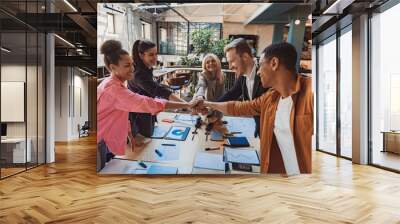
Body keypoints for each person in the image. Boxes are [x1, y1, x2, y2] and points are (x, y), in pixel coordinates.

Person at [203, 42, 313, 175]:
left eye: (261, 65)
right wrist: (207, 104)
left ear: (274, 63)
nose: (259, 71)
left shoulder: (311, 93)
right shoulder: (270, 98)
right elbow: (238, 107)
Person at [97, 40, 197, 165]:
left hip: (108, 137)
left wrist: (128, 132)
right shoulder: (113, 89)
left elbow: (118, 110)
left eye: (132, 64)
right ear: (113, 67)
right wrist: (187, 104)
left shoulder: (111, 83)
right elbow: (150, 103)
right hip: (100, 140)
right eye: (127, 66)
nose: (132, 69)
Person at [198, 38, 268, 137]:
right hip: (261, 127)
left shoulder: (265, 76)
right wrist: (209, 107)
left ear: (245, 56)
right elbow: (232, 94)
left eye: (232, 61)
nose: (230, 67)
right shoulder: (242, 76)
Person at [128, 40, 187, 138]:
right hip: (139, 116)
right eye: (151, 54)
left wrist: (185, 104)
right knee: (144, 143)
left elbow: (157, 88)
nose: (155, 57)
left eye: (156, 54)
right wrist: (186, 104)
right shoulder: (138, 74)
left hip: (147, 111)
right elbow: (158, 90)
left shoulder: (146, 69)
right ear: (141, 55)